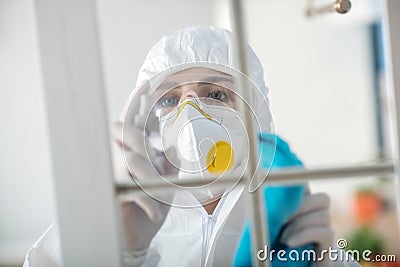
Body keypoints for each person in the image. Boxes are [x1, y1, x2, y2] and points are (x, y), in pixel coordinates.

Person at [23, 26, 359, 267]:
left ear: (256, 113)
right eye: (169, 99)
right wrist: (119, 253)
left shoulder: (284, 212)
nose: (191, 116)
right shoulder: (113, 213)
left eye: (216, 94)